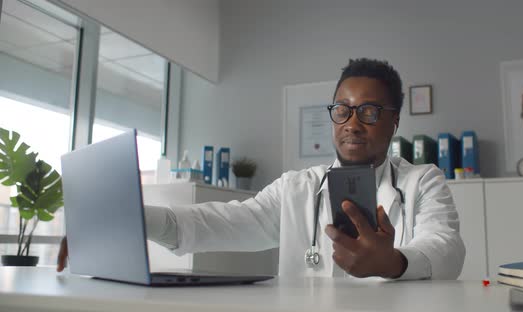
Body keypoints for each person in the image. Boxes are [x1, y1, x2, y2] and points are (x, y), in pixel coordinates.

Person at [57, 58, 465, 280]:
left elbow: (445, 249)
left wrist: (391, 263)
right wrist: (124, 218)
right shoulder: (296, 189)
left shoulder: (421, 181)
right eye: (343, 110)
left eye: (370, 111)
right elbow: (210, 223)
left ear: (395, 121)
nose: (352, 123)